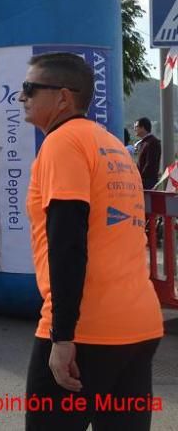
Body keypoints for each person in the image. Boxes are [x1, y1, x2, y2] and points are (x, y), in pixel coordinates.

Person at [20, 53, 163, 430]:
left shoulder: (62, 142)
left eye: (30, 88)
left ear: (63, 97)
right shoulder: (113, 145)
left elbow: (67, 242)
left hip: (87, 332)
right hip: (139, 326)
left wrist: (63, 335)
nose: (21, 97)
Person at [133, 117, 161, 190]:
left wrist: (140, 178)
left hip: (147, 182)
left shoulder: (152, 142)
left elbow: (150, 163)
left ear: (142, 128)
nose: (134, 129)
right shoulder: (145, 142)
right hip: (143, 181)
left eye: (136, 127)